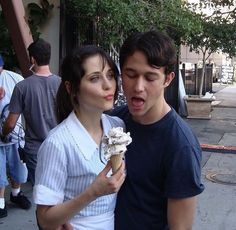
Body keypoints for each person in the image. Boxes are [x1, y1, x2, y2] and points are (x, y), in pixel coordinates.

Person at [113, 30, 205, 229]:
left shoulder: (181, 145)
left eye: (150, 77)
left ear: (167, 79)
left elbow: (180, 227)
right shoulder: (113, 121)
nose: (138, 86)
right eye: (131, 75)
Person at [33, 45, 126, 230]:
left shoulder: (117, 127)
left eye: (110, 75)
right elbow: (44, 219)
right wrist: (92, 192)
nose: (108, 85)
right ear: (71, 88)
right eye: (95, 78)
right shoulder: (58, 143)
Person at [2, 39, 61, 186]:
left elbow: (10, 123)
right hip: (59, 146)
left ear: (33, 59)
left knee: (41, 194)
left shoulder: (22, 87)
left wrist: (3, 133)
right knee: (58, 189)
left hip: (35, 150)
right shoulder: (61, 83)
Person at [0, 54, 31, 218]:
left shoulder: (15, 78)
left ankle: (16, 193)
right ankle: (0, 203)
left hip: (15, 134)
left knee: (18, 168)